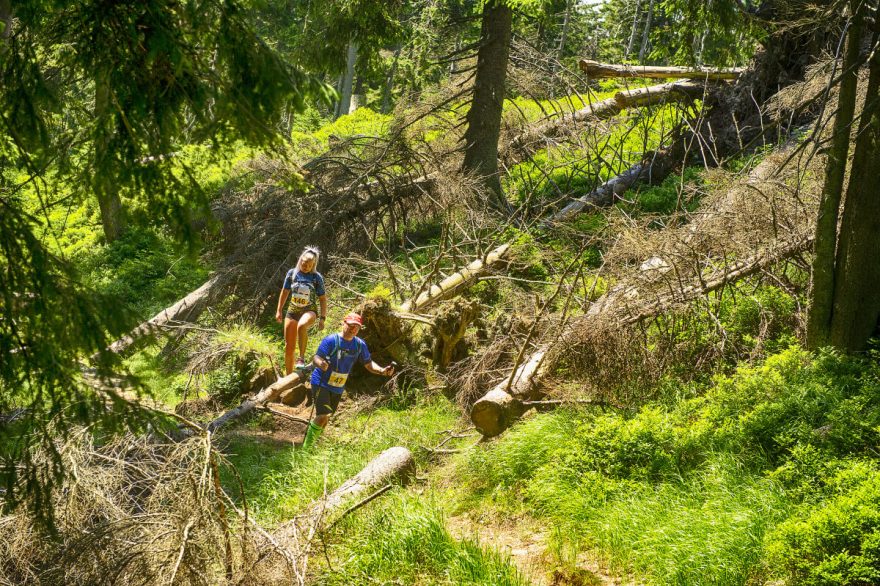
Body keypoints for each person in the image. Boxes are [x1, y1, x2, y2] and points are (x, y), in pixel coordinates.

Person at [302, 312, 394, 450]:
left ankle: (315, 444)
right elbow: (316, 357)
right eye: (351, 325)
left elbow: (368, 364)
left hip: (338, 386)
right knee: (322, 415)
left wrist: (381, 370)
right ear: (344, 323)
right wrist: (321, 364)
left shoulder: (359, 345)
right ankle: (306, 449)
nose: (353, 329)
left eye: (357, 327)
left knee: (326, 417)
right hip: (321, 381)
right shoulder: (331, 340)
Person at [276, 247, 328, 374]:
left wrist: (322, 318)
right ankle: (289, 376)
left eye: (310, 265)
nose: (306, 266)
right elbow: (284, 292)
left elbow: (322, 298)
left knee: (302, 325)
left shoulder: (316, 277)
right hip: (292, 311)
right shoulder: (292, 273)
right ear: (300, 260)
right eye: (304, 263)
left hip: (309, 311)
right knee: (289, 347)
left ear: (313, 265)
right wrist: (279, 310)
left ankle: (301, 358)